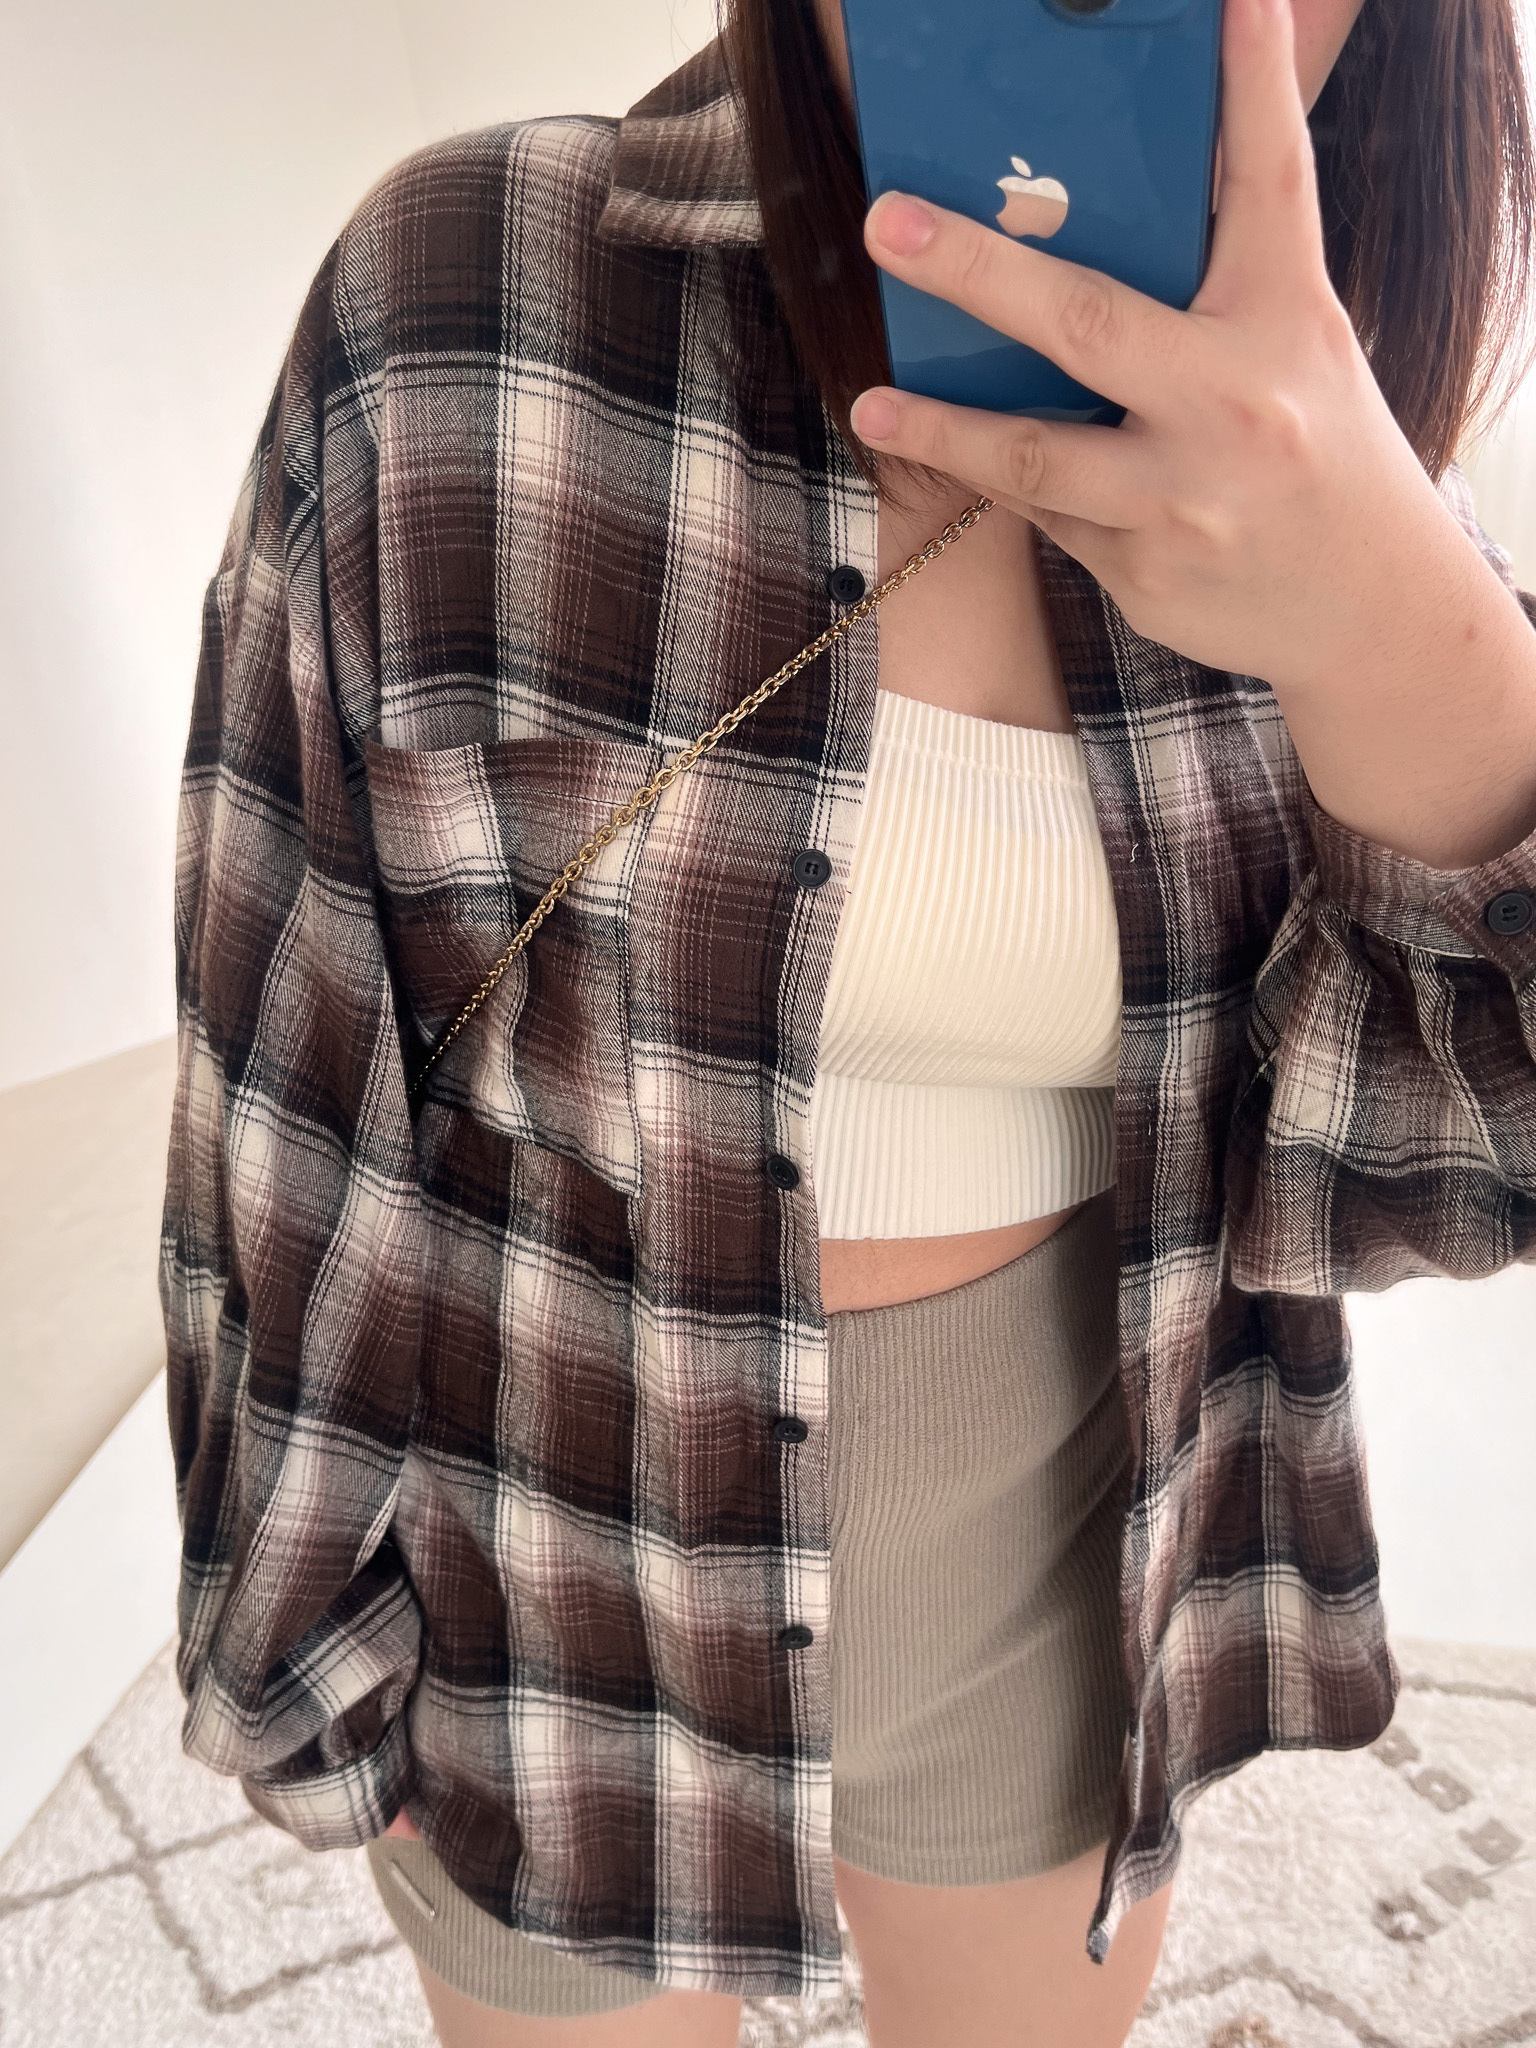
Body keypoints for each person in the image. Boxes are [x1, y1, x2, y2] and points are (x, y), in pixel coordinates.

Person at [158, 0, 1536, 2040]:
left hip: (1056, 1572)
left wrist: (1396, 627)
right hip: (557, 1566)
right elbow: (283, 1070)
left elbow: (1475, 1158)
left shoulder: (1350, 473)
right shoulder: (458, 306)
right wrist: (305, 1657)